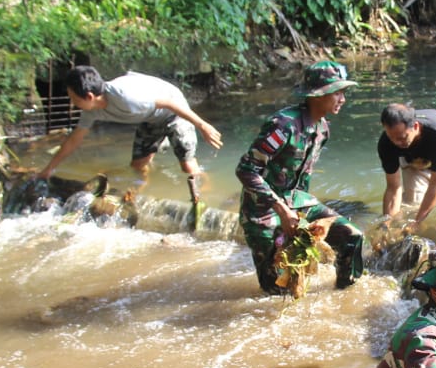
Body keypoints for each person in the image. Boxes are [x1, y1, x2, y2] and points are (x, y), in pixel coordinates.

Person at [237, 61, 364, 294]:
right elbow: (246, 170)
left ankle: (343, 295)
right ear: (317, 95)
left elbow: (302, 177)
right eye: (337, 93)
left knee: (352, 237)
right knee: (277, 289)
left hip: (296, 202)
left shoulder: (322, 129)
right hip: (263, 211)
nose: (342, 99)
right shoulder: (283, 125)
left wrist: (300, 215)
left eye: (343, 93)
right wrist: (281, 210)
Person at [35, 66, 223, 200]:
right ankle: (141, 186)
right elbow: (74, 140)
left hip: (174, 112)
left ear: (90, 96)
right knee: (137, 165)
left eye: (73, 98)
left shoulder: (126, 98)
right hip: (150, 118)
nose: (71, 102)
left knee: (187, 166)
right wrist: (48, 169)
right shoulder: (90, 111)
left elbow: (169, 103)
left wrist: (202, 125)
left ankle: (206, 190)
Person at [378, 103, 436, 230]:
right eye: (392, 138)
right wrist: (386, 224)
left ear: (416, 126)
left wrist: (417, 222)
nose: (396, 143)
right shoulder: (386, 143)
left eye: (402, 138)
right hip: (413, 162)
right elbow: (393, 187)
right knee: (411, 205)